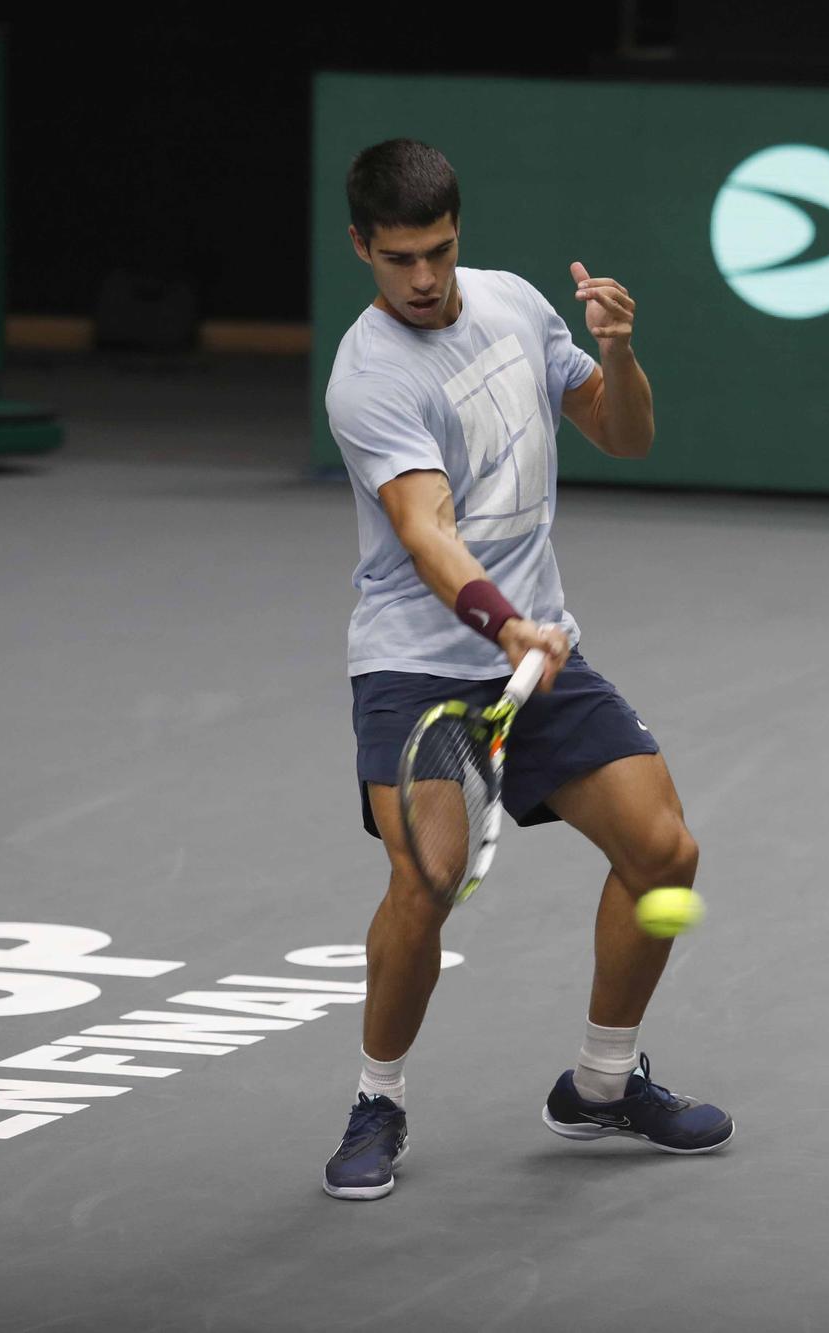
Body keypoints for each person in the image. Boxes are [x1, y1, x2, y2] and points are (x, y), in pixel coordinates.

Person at [319, 138, 733, 1200]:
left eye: (439, 251)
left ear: (462, 233)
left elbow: (623, 434)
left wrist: (620, 354)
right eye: (399, 257)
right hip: (417, 667)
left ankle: (599, 1083)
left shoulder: (511, 305)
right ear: (361, 245)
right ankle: (379, 1097)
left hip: (538, 650)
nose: (422, 278)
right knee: (428, 875)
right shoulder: (367, 376)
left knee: (664, 850)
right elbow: (425, 531)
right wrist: (502, 624)